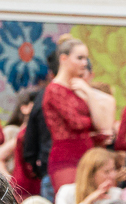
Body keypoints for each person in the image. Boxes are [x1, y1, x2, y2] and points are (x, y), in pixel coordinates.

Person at [43, 38, 105, 193]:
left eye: (86, 58)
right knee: (70, 201)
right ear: (64, 59)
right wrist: (93, 123)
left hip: (88, 156)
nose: (85, 63)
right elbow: (76, 123)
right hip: (66, 158)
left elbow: (102, 124)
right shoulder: (54, 89)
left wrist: (89, 92)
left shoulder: (78, 88)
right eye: (80, 58)